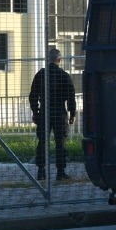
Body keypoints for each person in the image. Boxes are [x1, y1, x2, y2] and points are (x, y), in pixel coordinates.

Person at [29, 48, 76, 181]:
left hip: (44, 112)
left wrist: (35, 111)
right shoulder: (64, 75)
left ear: (48, 59)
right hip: (59, 112)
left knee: (43, 142)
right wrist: (72, 113)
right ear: (59, 60)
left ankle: (41, 171)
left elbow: (33, 95)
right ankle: (60, 172)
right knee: (60, 142)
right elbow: (71, 96)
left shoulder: (41, 75)